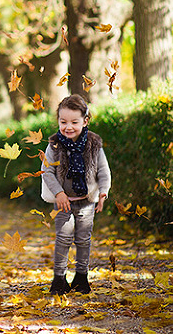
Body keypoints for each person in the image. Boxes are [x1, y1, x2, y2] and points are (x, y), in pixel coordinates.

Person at [41, 94, 111, 295]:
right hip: (64, 202)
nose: (68, 127)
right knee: (63, 238)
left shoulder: (93, 145)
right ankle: (59, 279)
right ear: (58, 121)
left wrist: (103, 192)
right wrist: (59, 193)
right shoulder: (55, 144)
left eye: (74, 122)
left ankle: (81, 277)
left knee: (83, 239)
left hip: (86, 202)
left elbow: (102, 171)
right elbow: (47, 171)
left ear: (85, 121)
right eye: (63, 122)